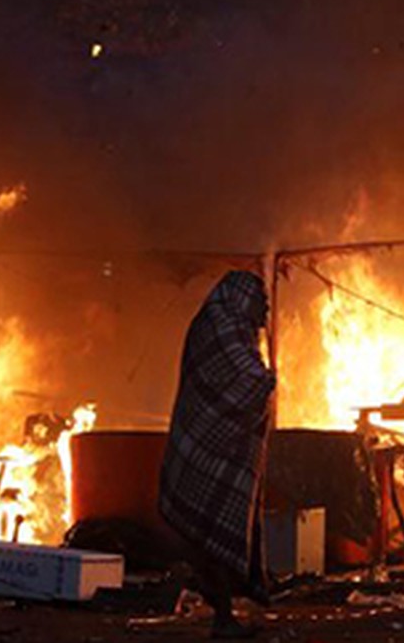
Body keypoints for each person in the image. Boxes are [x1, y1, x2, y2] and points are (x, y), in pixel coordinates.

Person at [159, 270, 275, 639]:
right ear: (242, 299)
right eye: (261, 303)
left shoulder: (231, 328)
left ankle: (222, 612)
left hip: (218, 447)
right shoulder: (220, 327)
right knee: (207, 532)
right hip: (205, 446)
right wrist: (267, 379)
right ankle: (222, 617)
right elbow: (245, 379)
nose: (265, 312)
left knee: (211, 533)